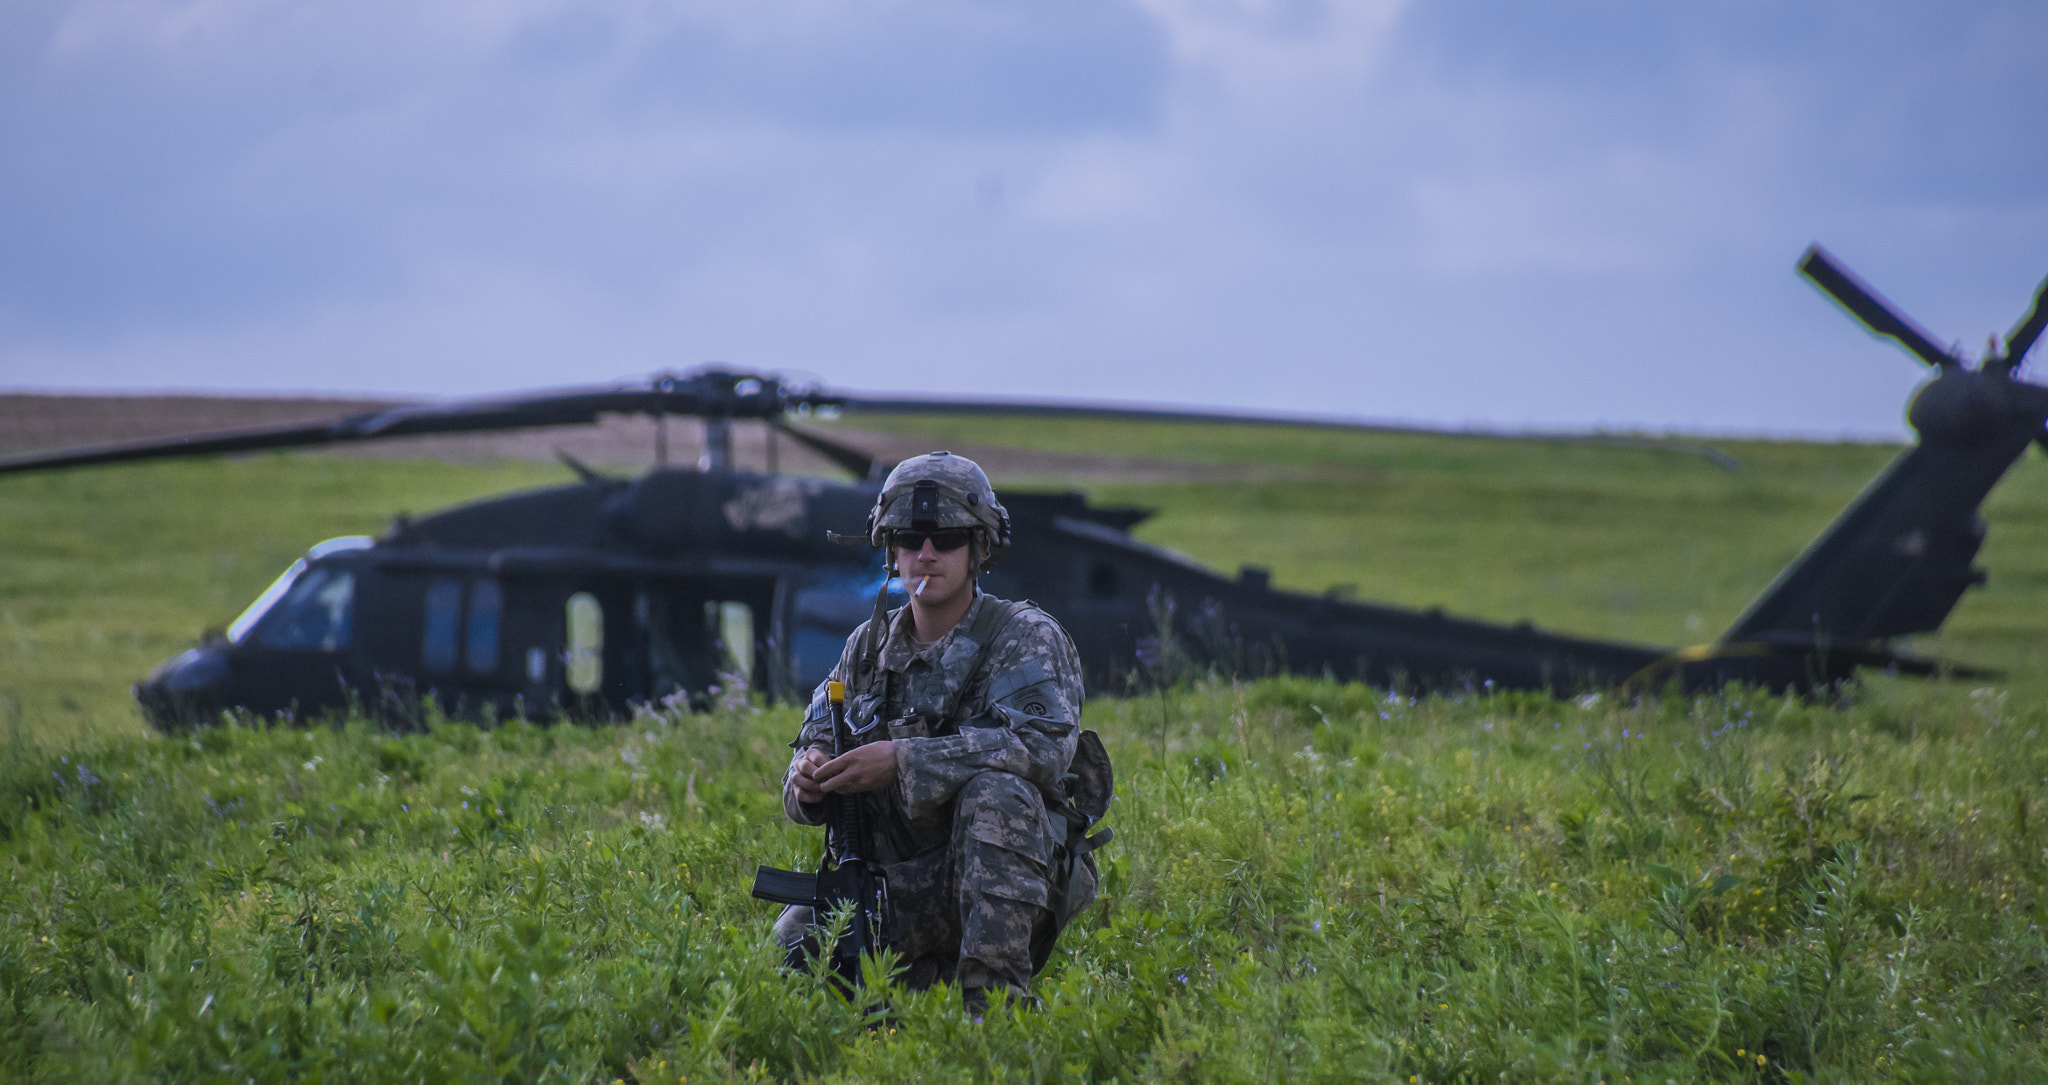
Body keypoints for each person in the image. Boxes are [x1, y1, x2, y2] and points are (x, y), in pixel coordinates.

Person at [772, 451, 1109, 1014]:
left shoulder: (1023, 637)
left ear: (979, 549)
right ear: (890, 549)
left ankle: (993, 1015)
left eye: (947, 539)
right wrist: (809, 779)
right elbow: (811, 748)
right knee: (791, 949)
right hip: (897, 883)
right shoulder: (867, 646)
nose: (925, 555)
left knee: (998, 793)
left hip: (1002, 878)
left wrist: (903, 761)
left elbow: (1044, 750)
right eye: (908, 538)